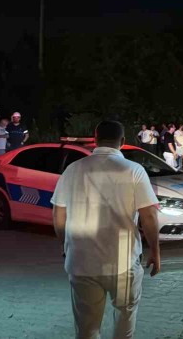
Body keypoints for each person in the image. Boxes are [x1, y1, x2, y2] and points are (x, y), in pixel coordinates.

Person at [50, 120, 160, 339]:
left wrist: (65, 245)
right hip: (123, 262)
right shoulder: (134, 171)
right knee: (124, 320)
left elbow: (58, 214)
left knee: (87, 329)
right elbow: (148, 215)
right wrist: (155, 251)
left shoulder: (73, 170)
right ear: (123, 141)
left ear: (95, 139)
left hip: (81, 262)